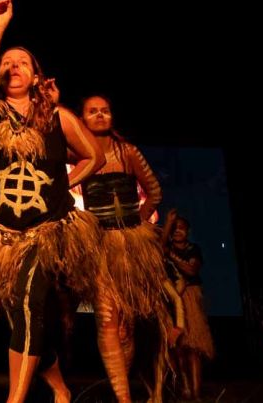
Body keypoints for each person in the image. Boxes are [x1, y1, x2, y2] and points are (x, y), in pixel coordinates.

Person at [0, 0, 104, 403]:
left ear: (38, 75)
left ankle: (15, 400)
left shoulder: (57, 118)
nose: (13, 67)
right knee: (21, 318)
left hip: (43, 233)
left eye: (22, 62)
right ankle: (60, 388)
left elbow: (94, 156)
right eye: (6, 62)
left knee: (30, 306)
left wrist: (65, 184)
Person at [79, 94, 170, 402]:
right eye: (92, 112)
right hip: (100, 246)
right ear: (83, 119)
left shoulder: (127, 152)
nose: (100, 115)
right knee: (106, 318)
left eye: (105, 110)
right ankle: (124, 398)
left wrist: (139, 223)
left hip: (130, 246)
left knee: (125, 328)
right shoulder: (79, 154)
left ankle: (127, 383)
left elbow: (154, 191)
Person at [162, 209, 215, 400]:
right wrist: (167, 223)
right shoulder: (164, 248)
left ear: (188, 231)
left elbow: (191, 270)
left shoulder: (193, 249)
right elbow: (160, 246)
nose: (177, 231)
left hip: (190, 298)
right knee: (177, 348)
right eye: (174, 229)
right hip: (171, 300)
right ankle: (184, 387)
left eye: (181, 228)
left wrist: (172, 256)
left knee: (193, 347)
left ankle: (196, 392)